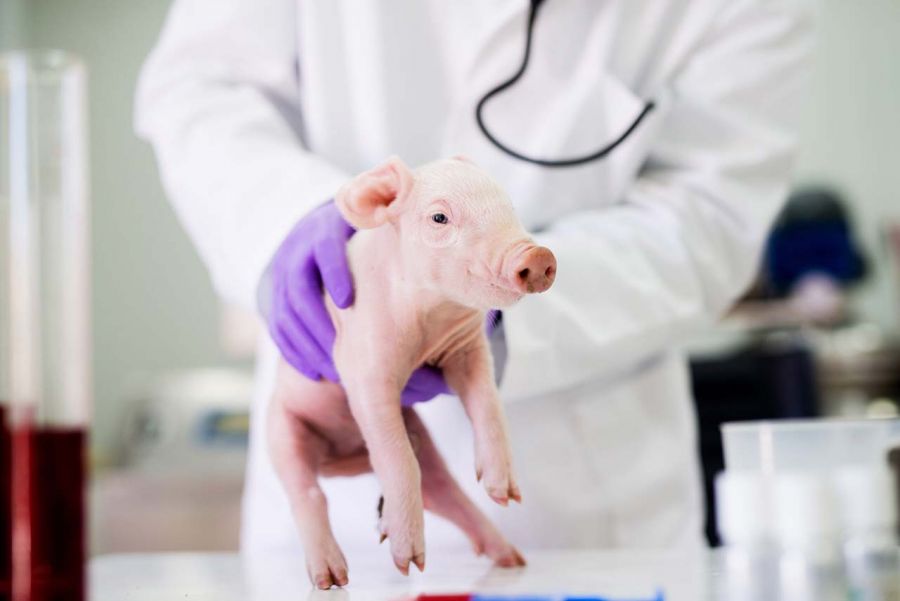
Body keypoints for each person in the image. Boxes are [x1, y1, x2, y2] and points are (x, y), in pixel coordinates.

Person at [135, 0, 812, 557]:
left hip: (591, 516)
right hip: (336, 492)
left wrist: (480, 301)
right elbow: (201, 91)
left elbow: (705, 223)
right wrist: (305, 230)